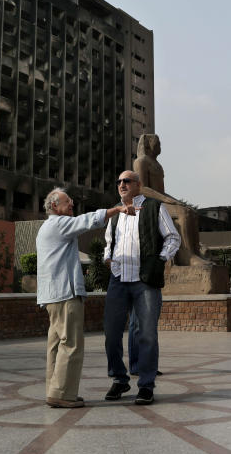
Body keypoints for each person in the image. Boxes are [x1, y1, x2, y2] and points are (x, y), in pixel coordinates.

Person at [36, 188, 133, 409]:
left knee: (56, 345)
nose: (71, 204)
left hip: (52, 296)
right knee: (70, 343)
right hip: (65, 293)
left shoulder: (47, 227)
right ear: (53, 206)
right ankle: (62, 393)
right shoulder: (58, 224)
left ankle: (55, 390)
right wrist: (117, 209)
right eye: (66, 202)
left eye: (71, 201)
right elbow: (87, 221)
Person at [103, 170, 181, 405]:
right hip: (118, 279)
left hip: (145, 279)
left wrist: (160, 259)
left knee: (146, 334)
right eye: (118, 181)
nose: (121, 184)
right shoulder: (115, 212)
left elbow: (173, 237)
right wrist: (107, 257)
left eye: (126, 181)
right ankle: (119, 379)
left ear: (138, 184)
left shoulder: (155, 207)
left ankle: (146, 385)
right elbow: (109, 242)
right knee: (111, 334)